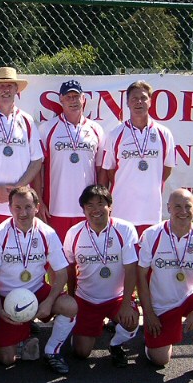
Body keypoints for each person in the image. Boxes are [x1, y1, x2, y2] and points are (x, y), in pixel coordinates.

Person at [137, 188, 193, 382]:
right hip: (160, 305)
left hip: (188, 297)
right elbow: (140, 276)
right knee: (159, 360)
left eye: (188, 206)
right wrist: (149, 314)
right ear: (168, 208)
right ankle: (153, 339)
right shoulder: (152, 235)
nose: (183, 211)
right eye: (177, 206)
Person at [0, 186, 77, 375]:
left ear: (36, 207)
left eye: (28, 207)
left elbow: (61, 273)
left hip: (36, 292)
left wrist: (49, 301)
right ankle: (11, 336)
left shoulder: (48, 233)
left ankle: (52, 352)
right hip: (6, 296)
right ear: (10, 208)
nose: (23, 213)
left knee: (70, 306)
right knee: (6, 359)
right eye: (17, 207)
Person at [63, 185, 139, 367]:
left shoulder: (126, 229)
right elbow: (69, 269)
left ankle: (116, 343)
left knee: (131, 321)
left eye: (101, 203)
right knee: (81, 353)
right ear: (83, 210)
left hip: (116, 298)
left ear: (110, 206)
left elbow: (131, 270)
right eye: (89, 206)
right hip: (86, 299)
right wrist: (73, 298)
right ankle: (86, 329)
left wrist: (127, 303)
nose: (95, 210)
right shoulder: (74, 233)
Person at [101, 80, 175, 236]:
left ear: (150, 101)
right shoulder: (116, 134)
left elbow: (166, 170)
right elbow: (110, 171)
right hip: (122, 209)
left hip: (151, 210)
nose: (139, 102)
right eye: (134, 98)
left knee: (146, 257)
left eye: (143, 98)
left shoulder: (164, 133)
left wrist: (148, 182)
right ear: (127, 103)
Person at [35, 80, 105, 242]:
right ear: (61, 100)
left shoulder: (96, 129)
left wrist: (99, 202)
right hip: (55, 208)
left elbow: (101, 169)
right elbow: (37, 169)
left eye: (76, 96)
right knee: (58, 260)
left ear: (83, 99)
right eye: (68, 97)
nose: (73, 100)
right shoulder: (47, 129)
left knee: (86, 259)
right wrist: (38, 200)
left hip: (87, 208)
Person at [0, 67, 43, 237]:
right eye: (1, 86)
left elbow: (37, 160)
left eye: (9, 86)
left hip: (21, 202)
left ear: (16, 90)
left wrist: (18, 189)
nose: (5, 90)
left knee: (20, 249)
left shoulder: (27, 120)